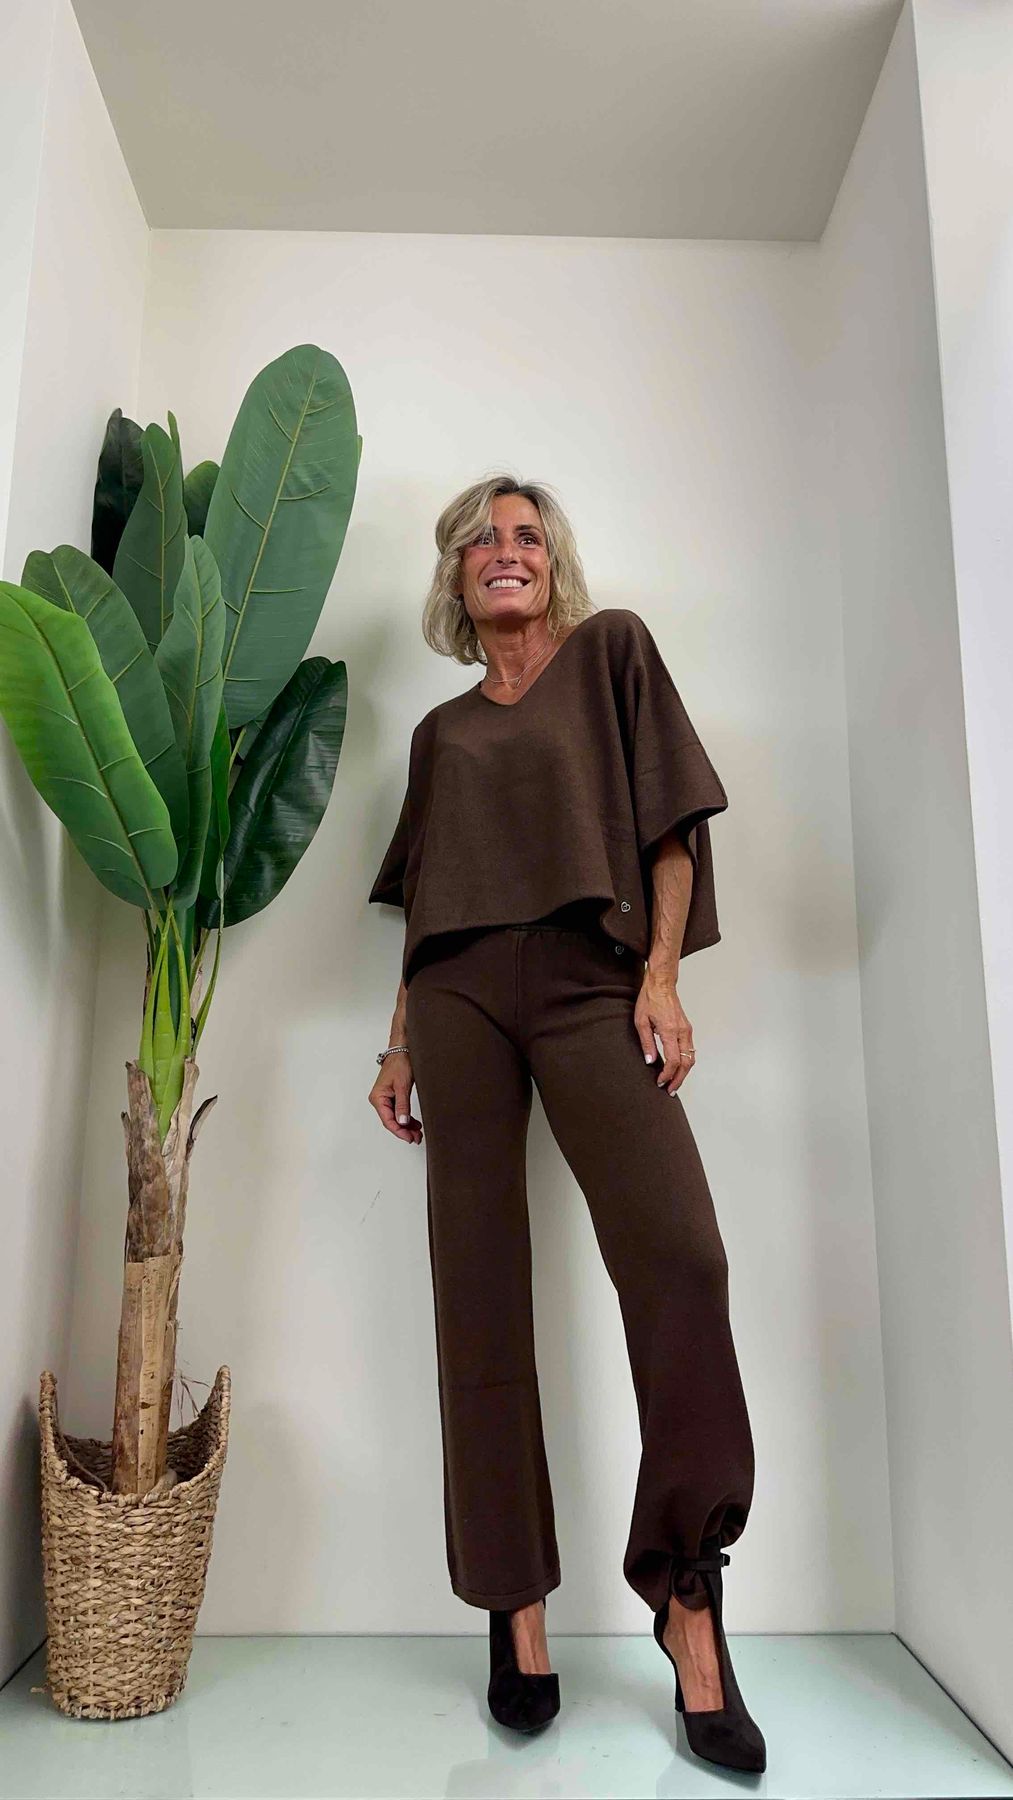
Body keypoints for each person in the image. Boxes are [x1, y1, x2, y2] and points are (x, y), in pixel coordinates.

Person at [366, 474, 765, 1773]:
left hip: (594, 983)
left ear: (554, 566)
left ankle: (686, 1593)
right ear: (455, 575)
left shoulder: (611, 654)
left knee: (681, 1256)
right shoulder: (439, 735)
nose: (506, 551)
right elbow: (428, 904)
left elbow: (670, 827)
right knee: (478, 1298)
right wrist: (397, 1041)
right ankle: (516, 1611)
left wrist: (662, 978)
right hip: (459, 1000)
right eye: (481, 539)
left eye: (527, 536)